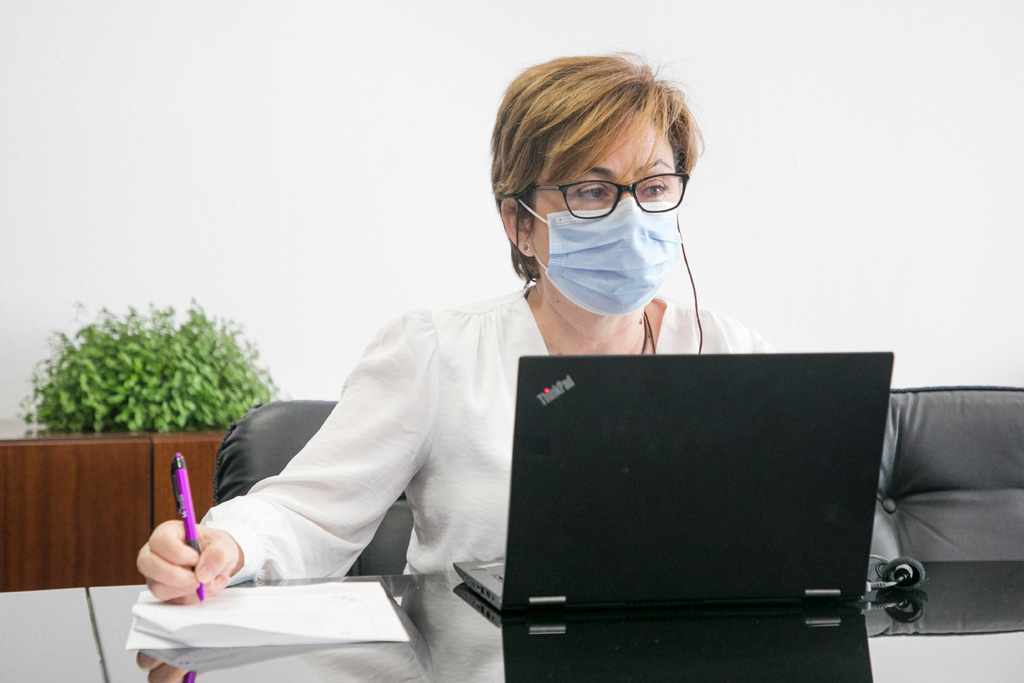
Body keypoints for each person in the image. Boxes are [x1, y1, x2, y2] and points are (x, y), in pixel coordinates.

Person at [136, 53, 773, 603]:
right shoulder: (438, 354)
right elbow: (304, 513)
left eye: (654, 186)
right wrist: (223, 545)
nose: (631, 218)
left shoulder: (731, 352)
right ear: (519, 223)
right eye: (591, 191)